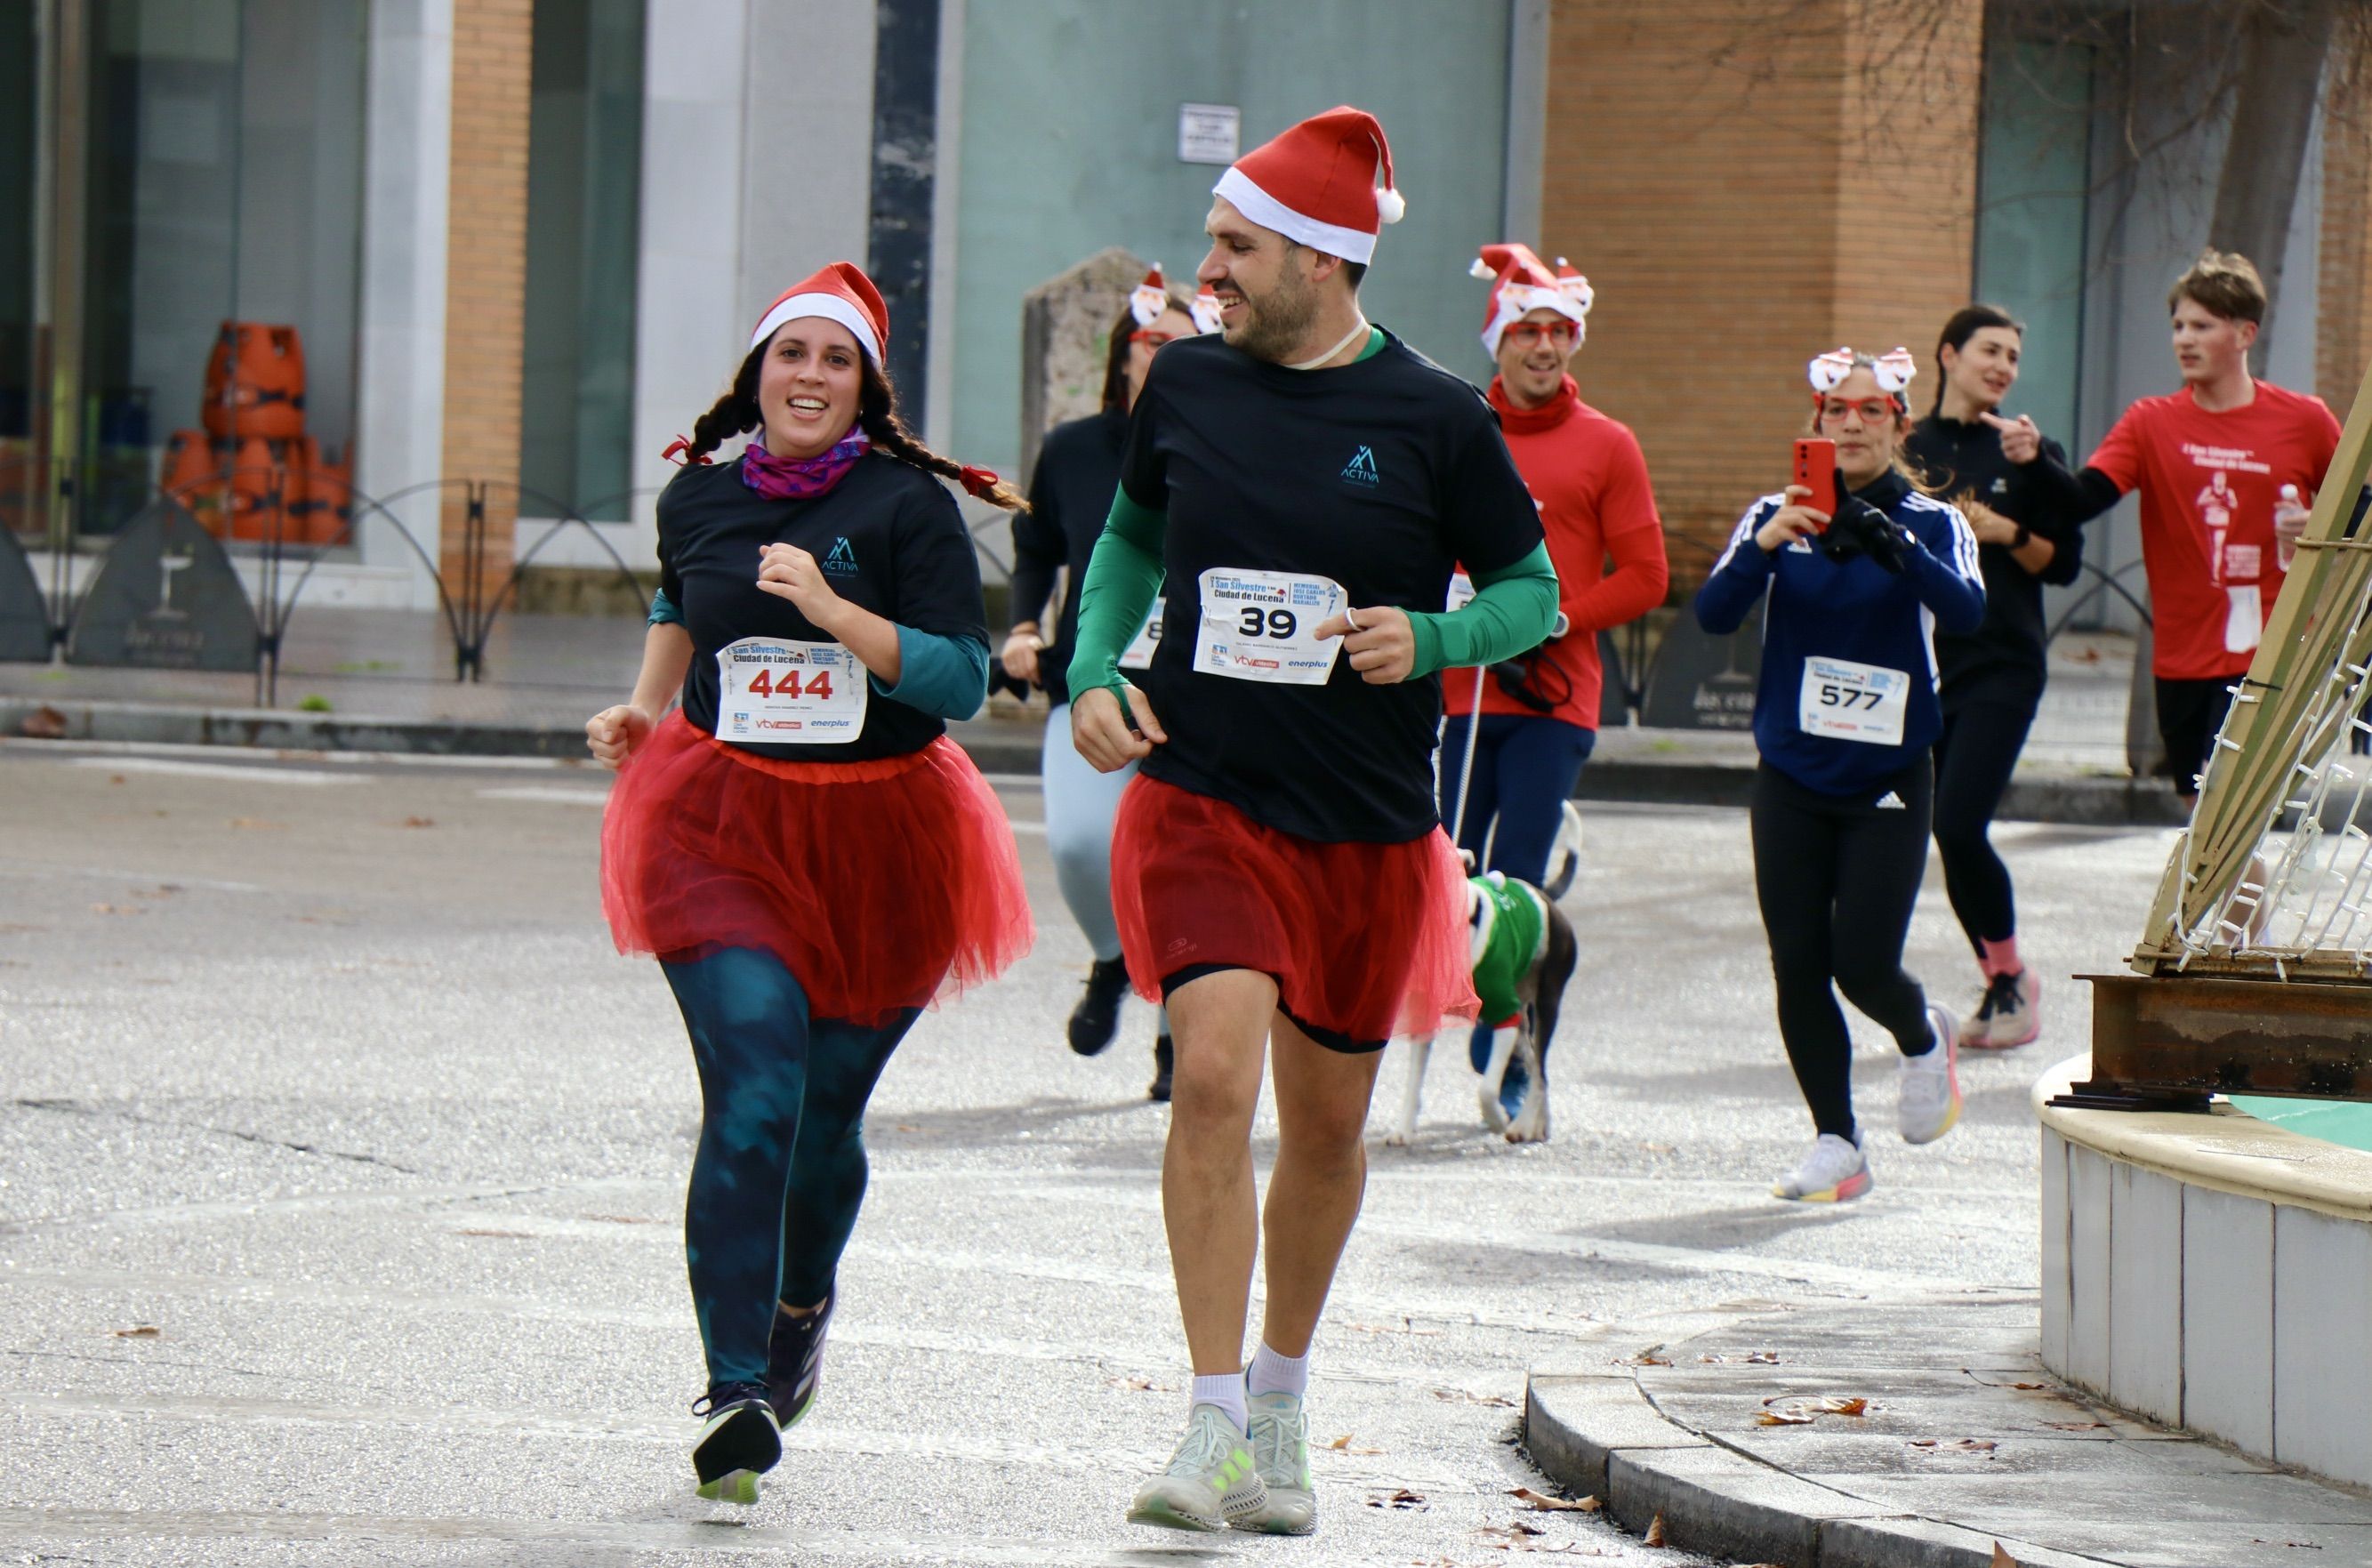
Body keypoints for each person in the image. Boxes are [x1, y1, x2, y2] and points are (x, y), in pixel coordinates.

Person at [1065, 107, 1556, 1534]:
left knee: (1328, 1133)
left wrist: (1434, 630)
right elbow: (1129, 539)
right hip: (1206, 793)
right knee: (1210, 1077)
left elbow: (1534, 594)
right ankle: (1210, 1418)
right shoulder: (1188, 390)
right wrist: (1097, 666)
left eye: (1234, 244)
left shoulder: (1434, 418)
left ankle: (1279, 1393)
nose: (1206, 267)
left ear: (1322, 260)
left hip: (1362, 824)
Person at [586, 262, 1033, 1504]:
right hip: (719, 823)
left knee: (822, 1119)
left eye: (836, 362)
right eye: (793, 355)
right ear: (757, 372)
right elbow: (683, 599)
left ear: (866, 389)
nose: (810, 379)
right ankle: (734, 1388)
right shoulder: (702, 493)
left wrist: (835, 609)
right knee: (752, 1094)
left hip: (885, 835)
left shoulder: (907, 510)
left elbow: (956, 679)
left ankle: (798, 1305)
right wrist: (638, 708)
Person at [1693, 347, 1985, 1204]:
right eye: (1835, 411)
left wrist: (1892, 544)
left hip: (1888, 778)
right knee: (1797, 962)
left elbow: (1966, 612)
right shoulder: (1774, 513)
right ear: (1814, 424)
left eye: (1870, 411)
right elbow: (1712, 615)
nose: (1851, 424)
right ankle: (1836, 1139)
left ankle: (1921, 1036)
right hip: (1789, 769)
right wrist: (1765, 543)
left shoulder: (1932, 521)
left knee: (1861, 962)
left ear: (1898, 424)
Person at [1441, 242, 1668, 1120]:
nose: (1544, 346)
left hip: (1555, 698)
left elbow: (1645, 578)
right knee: (1451, 877)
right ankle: (1470, 1007)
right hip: (1465, 690)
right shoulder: (1460, 429)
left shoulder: (1606, 444)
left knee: (1519, 880)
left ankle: (1522, 1051)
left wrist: (1553, 615)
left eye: (1559, 331)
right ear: (1497, 340)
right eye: (1526, 329)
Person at [2029, 251, 2340, 804]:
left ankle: (2229, 894)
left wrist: (2318, 525)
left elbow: (2361, 512)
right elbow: (2081, 500)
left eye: (2202, 325)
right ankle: (2240, 898)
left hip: (2266, 649)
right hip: (2181, 653)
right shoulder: (2150, 421)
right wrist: (2034, 460)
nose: (2184, 340)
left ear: (2245, 333)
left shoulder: (2305, 420)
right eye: (2178, 326)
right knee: (2202, 822)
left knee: (2230, 817)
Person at [1005, 268, 1199, 1095]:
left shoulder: (1228, 441)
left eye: (1184, 345)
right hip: (1088, 678)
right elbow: (1036, 545)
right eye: (1152, 341)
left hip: (1194, 691)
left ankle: (1174, 1037)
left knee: (1181, 870)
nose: (1162, 357)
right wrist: (1020, 626)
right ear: (1122, 355)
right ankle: (1115, 959)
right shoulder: (1073, 448)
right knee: (1085, 844)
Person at [1904, 306, 2085, 1049]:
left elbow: (2065, 564)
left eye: (2012, 356)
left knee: (1957, 820)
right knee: (1939, 834)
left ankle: (2011, 979)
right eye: (1989, 351)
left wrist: (2006, 531)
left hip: (2002, 664)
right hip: (1919, 667)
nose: (2003, 367)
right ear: (1947, 354)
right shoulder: (1904, 446)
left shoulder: (2025, 450)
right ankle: (2000, 977)